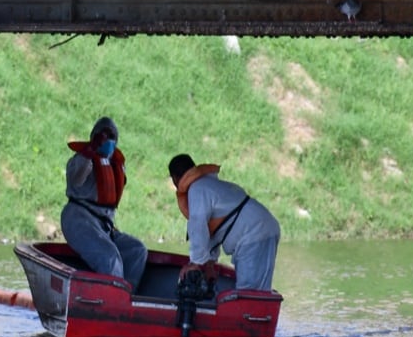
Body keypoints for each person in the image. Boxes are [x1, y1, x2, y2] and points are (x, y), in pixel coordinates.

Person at [168, 152, 281, 292]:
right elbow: (212, 232)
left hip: (252, 234)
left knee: (249, 293)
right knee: (259, 291)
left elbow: (198, 226)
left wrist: (196, 263)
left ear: (175, 178)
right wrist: (209, 263)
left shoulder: (197, 189)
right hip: (263, 227)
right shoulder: (209, 185)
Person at [61, 116, 148, 291]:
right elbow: (77, 178)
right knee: (109, 257)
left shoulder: (114, 162)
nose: (107, 140)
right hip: (79, 220)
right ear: (94, 137)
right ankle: (113, 301)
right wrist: (91, 149)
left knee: (137, 250)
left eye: (111, 137)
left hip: (104, 225)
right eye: (103, 136)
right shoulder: (81, 159)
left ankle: (128, 294)